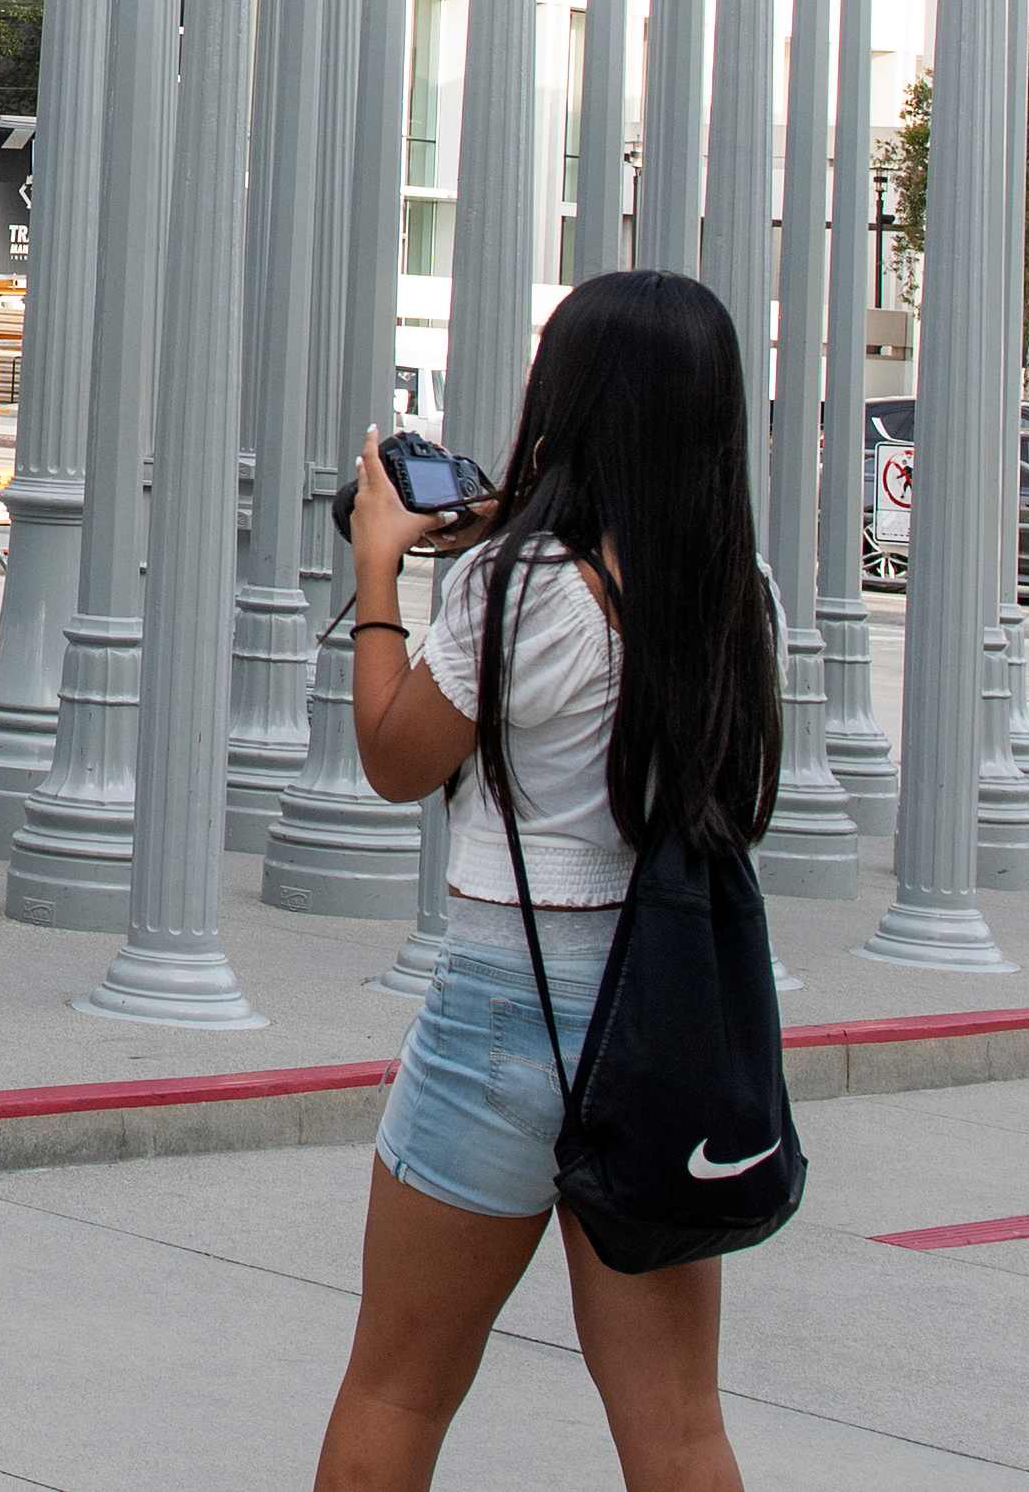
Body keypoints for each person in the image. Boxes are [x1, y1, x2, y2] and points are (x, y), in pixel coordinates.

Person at [314, 269, 784, 1492]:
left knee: (397, 1385)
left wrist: (380, 572)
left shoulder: (511, 586)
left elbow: (394, 760)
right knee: (676, 1424)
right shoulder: (733, 596)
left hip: (498, 1016)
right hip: (658, 1023)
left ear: (564, 397)